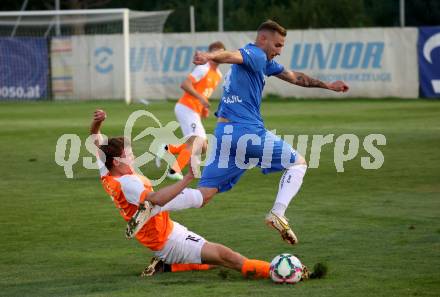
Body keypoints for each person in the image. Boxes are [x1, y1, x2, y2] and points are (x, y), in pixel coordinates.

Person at [90, 109, 277, 279]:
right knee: (227, 257)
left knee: (217, 257)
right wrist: (187, 177)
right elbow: (158, 199)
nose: (133, 157)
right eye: (128, 155)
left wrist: (98, 122)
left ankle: (167, 266)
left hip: (164, 227)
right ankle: (279, 272)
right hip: (167, 241)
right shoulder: (128, 183)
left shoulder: (107, 172)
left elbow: (95, 139)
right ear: (116, 162)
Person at [157, 41, 226, 181]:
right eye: (218, 52)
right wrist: (201, 99)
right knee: (196, 142)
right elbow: (185, 84)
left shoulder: (218, 74)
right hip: (186, 107)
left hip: (194, 110)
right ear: (211, 54)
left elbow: (204, 92)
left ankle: (166, 148)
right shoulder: (203, 68)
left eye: (222, 52)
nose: (221, 55)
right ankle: (173, 170)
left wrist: (203, 107)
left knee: (204, 146)